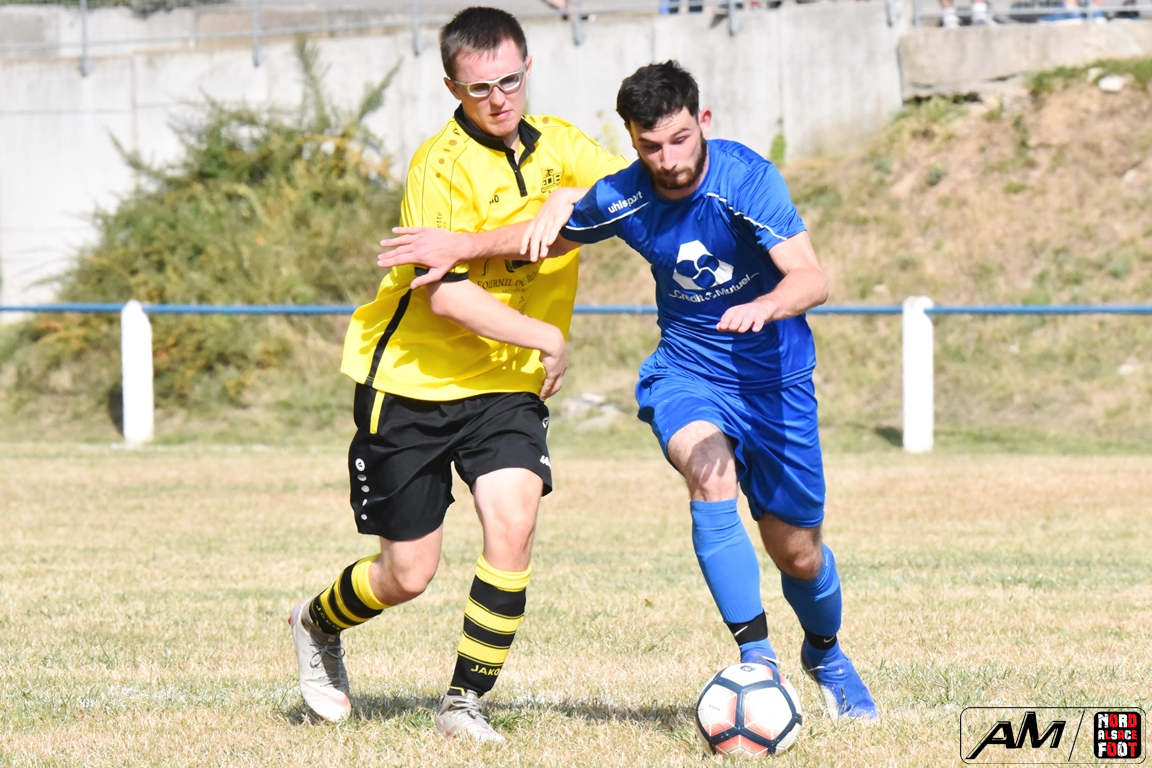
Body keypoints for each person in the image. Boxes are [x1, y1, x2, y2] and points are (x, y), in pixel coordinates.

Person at [378, 60, 879, 721]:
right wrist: (463, 246)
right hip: (688, 372)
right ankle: (757, 660)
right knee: (710, 471)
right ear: (632, 140)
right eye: (651, 146)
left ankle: (826, 653)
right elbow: (538, 242)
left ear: (703, 122)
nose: (668, 160)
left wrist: (768, 305)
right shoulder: (626, 195)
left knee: (798, 553)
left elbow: (811, 278)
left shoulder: (747, 180)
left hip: (775, 382)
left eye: (680, 140)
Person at [288, 6, 626, 742]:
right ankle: (316, 623)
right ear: (452, 88)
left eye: (510, 80)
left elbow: (633, 192)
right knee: (408, 575)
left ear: (528, 69)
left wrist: (570, 197)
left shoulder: (563, 145)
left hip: (504, 386)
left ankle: (463, 702)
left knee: (514, 519)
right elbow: (444, 296)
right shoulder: (435, 168)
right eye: (479, 88)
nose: (499, 99)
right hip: (414, 385)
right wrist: (545, 334)